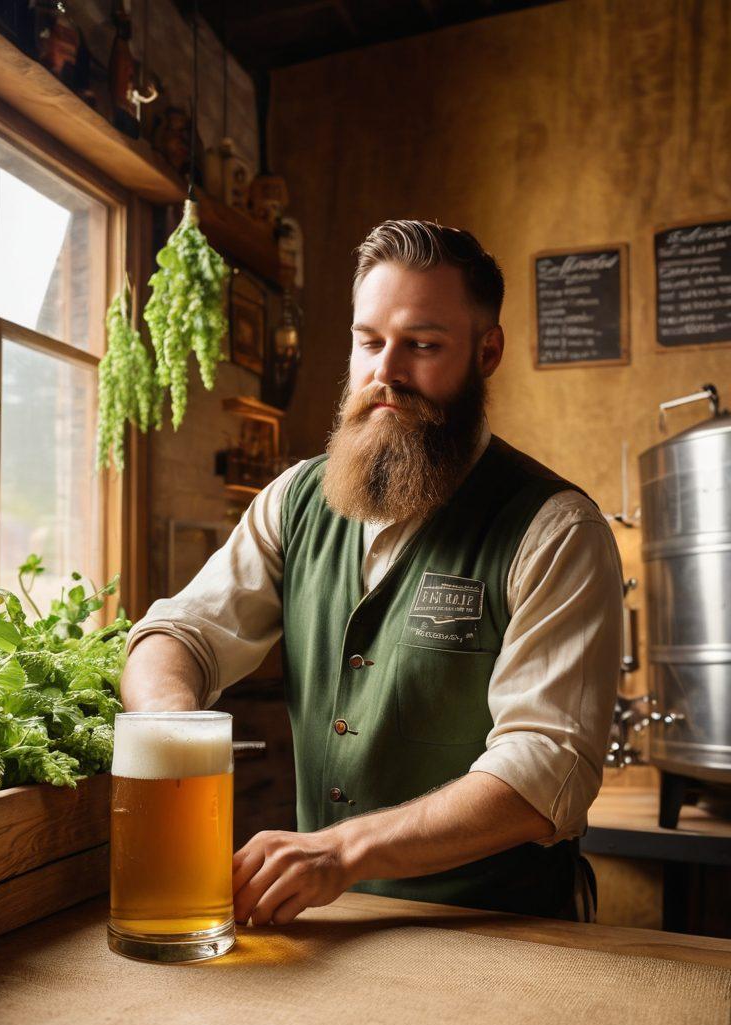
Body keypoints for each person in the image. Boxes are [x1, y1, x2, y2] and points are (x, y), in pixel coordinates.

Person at [121, 219, 623, 928]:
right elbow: (179, 633)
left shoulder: (556, 530)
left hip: (503, 941)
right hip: (330, 932)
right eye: (369, 341)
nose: (385, 373)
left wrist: (344, 851)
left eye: (421, 345)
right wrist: (170, 727)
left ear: (487, 352)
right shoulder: (294, 498)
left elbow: (546, 771)